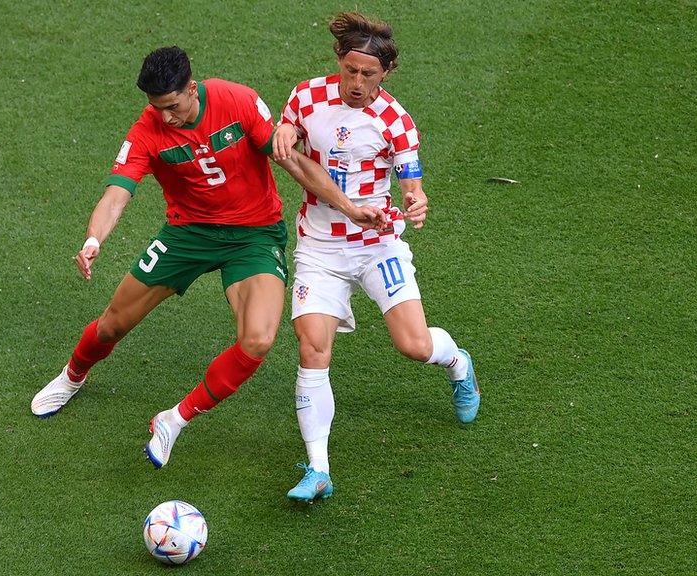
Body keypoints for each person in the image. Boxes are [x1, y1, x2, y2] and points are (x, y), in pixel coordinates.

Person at [30, 46, 388, 470]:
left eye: (172, 106)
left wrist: (349, 208)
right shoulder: (147, 131)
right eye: (156, 108)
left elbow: (293, 161)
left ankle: (174, 420)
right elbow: (116, 195)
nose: (166, 117)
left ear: (192, 89)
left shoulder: (236, 101)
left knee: (258, 339)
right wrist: (94, 240)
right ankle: (72, 375)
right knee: (112, 325)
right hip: (188, 234)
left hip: (253, 236)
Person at [271, 12, 481, 502]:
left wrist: (417, 201)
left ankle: (458, 365)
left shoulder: (396, 122)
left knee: (413, 344)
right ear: (339, 63)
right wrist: (283, 130)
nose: (357, 83)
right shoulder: (306, 96)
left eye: (368, 74)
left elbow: (411, 183)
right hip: (320, 248)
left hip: (375, 244)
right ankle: (318, 468)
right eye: (350, 71)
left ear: (386, 73)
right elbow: (291, 134)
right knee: (311, 350)